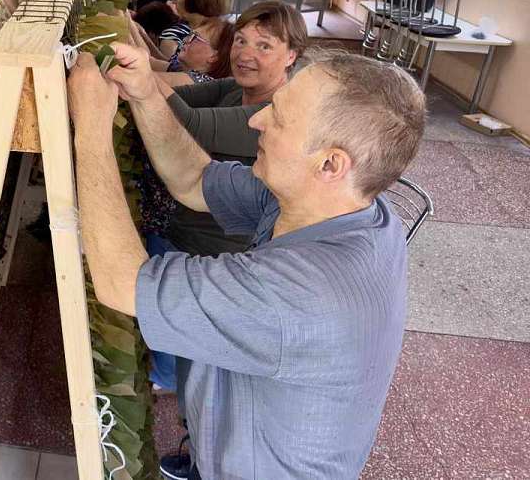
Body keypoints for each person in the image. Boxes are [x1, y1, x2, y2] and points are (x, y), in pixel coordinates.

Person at [68, 45, 426, 479]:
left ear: (330, 163)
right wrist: (146, 95)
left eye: (278, 116)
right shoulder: (340, 206)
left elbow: (122, 283)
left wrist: (89, 127)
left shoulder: (299, 292)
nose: (256, 120)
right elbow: (195, 179)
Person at [145, 0, 309, 396]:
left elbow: (189, 123)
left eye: (264, 46)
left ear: (292, 55)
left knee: (195, 356)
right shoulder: (237, 89)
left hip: (219, 251)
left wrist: (137, 84)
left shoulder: (276, 115)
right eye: (241, 40)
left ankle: (175, 386)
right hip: (183, 228)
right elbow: (178, 96)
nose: (245, 54)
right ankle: (169, 371)